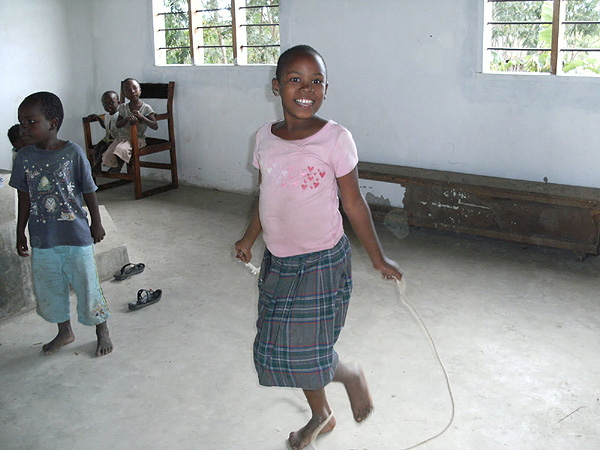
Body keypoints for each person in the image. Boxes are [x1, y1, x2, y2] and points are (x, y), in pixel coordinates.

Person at [234, 45, 403, 450]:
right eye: (295, 79)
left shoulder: (336, 139)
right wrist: (249, 237)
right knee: (276, 348)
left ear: (326, 88)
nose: (306, 88)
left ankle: (346, 377)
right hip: (280, 262)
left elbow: (354, 203)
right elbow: (266, 196)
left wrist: (377, 258)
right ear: (276, 87)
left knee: (307, 348)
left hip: (323, 262)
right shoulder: (263, 138)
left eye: (316, 81)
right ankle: (323, 412)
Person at [9, 91, 113, 358]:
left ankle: (101, 328)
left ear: (52, 123)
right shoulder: (23, 157)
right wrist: (20, 230)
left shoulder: (72, 153)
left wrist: (96, 223)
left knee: (87, 284)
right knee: (50, 287)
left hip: (75, 234)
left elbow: (89, 190)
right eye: (21, 122)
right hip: (43, 238)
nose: (24, 128)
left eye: (31, 122)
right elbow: (23, 196)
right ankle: (64, 331)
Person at [101, 78, 158, 173]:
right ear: (124, 94)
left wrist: (142, 117)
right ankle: (114, 167)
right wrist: (126, 119)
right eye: (128, 90)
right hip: (121, 138)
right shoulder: (123, 107)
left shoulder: (146, 108)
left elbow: (155, 126)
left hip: (136, 139)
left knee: (121, 149)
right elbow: (118, 124)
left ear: (140, 90)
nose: (132, 91)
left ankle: (117, 167)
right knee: (109, 153)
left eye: (135, 88)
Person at [88, 90, 120, 173]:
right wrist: (98, 117)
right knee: (97, 147)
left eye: (111, 103)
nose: (108, 106)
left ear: (118, 102)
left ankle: (97, 165)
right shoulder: (107, 115)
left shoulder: (119, 115)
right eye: (105, 104)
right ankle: (97, 167)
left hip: (116, 139)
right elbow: (105, 126)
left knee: (103, 148)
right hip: (107, 138)